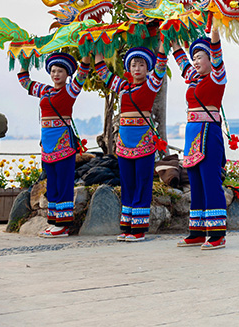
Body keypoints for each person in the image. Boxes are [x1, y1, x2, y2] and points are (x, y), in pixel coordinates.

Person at [94, 42, 167, 241]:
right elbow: (103, 72)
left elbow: (161, 66)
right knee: (127, 183)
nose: (137, 69)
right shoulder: (123, 87)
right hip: (125, 144)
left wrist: (162, 43)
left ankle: (139, 229)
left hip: (144, 142)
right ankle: (126, 226)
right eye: (133, 65)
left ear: (147, 68)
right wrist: (97, 47)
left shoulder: (152, 85)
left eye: (141, 65)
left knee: (143, 183)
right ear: (128, 68)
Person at [18, 52, 90, 237]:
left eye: (60, 71)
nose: (56, 74)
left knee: (64, 183)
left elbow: (83, 72)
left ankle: (63, 225)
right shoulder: (45, 91)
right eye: (53, 71)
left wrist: (88, 50)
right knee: (52, 185)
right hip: (47, 147)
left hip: (64, 146)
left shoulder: (70, 90)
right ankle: (53, 222)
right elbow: (25, 81)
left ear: (67, 74)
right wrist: (24, 60)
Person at [171, 27, 228, 250]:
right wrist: (172, 39)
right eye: (193, 57)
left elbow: (217, 48)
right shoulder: (194, 79)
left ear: (210, 58)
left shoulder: (217, 76)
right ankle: (196, 232)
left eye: (199, 57)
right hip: (192, 134)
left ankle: (217, 234)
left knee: (211, 182)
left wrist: (214, 26)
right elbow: (180, 60)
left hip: (209, 134)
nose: (194, 61)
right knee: (195, 181)